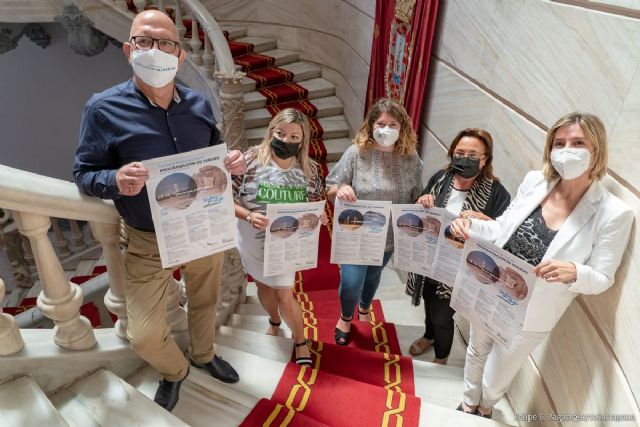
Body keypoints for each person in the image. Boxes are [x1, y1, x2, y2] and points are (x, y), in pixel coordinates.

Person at [73, 10, 245, 411]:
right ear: (128, 49)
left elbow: (214, 153)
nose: (156, 50)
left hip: (203, 227)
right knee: (145, 335)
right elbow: (84, 173)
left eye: (166, 43)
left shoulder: (199, 105)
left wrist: (231, 162)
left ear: (180, 55)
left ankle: (203, 355)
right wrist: (114, 180)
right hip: (147, 237)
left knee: (207, 299)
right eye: (145, 41)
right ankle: (174, 370)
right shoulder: (103, 109)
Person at [449, 112, 634, 418]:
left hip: (533, 310)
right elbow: (501, 229)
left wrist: (575, 272)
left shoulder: (614, 213)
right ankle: (468, 402)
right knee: (476, 349)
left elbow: (603, 277)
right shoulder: (535, 182)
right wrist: (469, 228)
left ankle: (486, 407)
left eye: (577, 143)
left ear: (596, 150)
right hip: (493, 286)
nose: (566, 150)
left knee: (498, 373)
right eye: (558, 143)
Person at [406, 128, 510, 364]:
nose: (465, 158)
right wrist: (422, 201)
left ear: (485, 160)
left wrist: (484, 221)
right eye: (460, 152)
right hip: (431, 257)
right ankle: (429, 336)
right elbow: (419, 211)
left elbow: (503, 234)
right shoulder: (440, 179)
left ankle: (442, 356)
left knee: (442, 314)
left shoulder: (497, 193)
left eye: (473, 155)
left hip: (460, 267)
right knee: (428, 300)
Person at [233, 108, 327, 366]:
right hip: (251, 238)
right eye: (281, 133)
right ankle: (274, 321)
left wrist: (318, 217)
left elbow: (313, 202)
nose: (286, 140)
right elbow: (224, 200)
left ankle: (300, 341)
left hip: (286, 243)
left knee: (285, 295)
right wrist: (249, 216)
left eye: (294, 136)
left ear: (302, 140)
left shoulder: (310, 170)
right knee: (263, 286)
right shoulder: (249, 161)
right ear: (271, 132)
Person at [326, 99, 423, 345]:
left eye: (393, 124)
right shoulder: (356, 153)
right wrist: (342, 189)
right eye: (381, 123)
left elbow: (415, 198)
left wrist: (425, 201)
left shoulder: (411, 159)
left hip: (389, 236)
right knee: (351, 282)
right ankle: (345, 317)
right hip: (357, 233)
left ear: (402, 128)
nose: (386, 129)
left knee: (372, 277)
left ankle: (365, 308)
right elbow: (330, 186)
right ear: (371, 125)